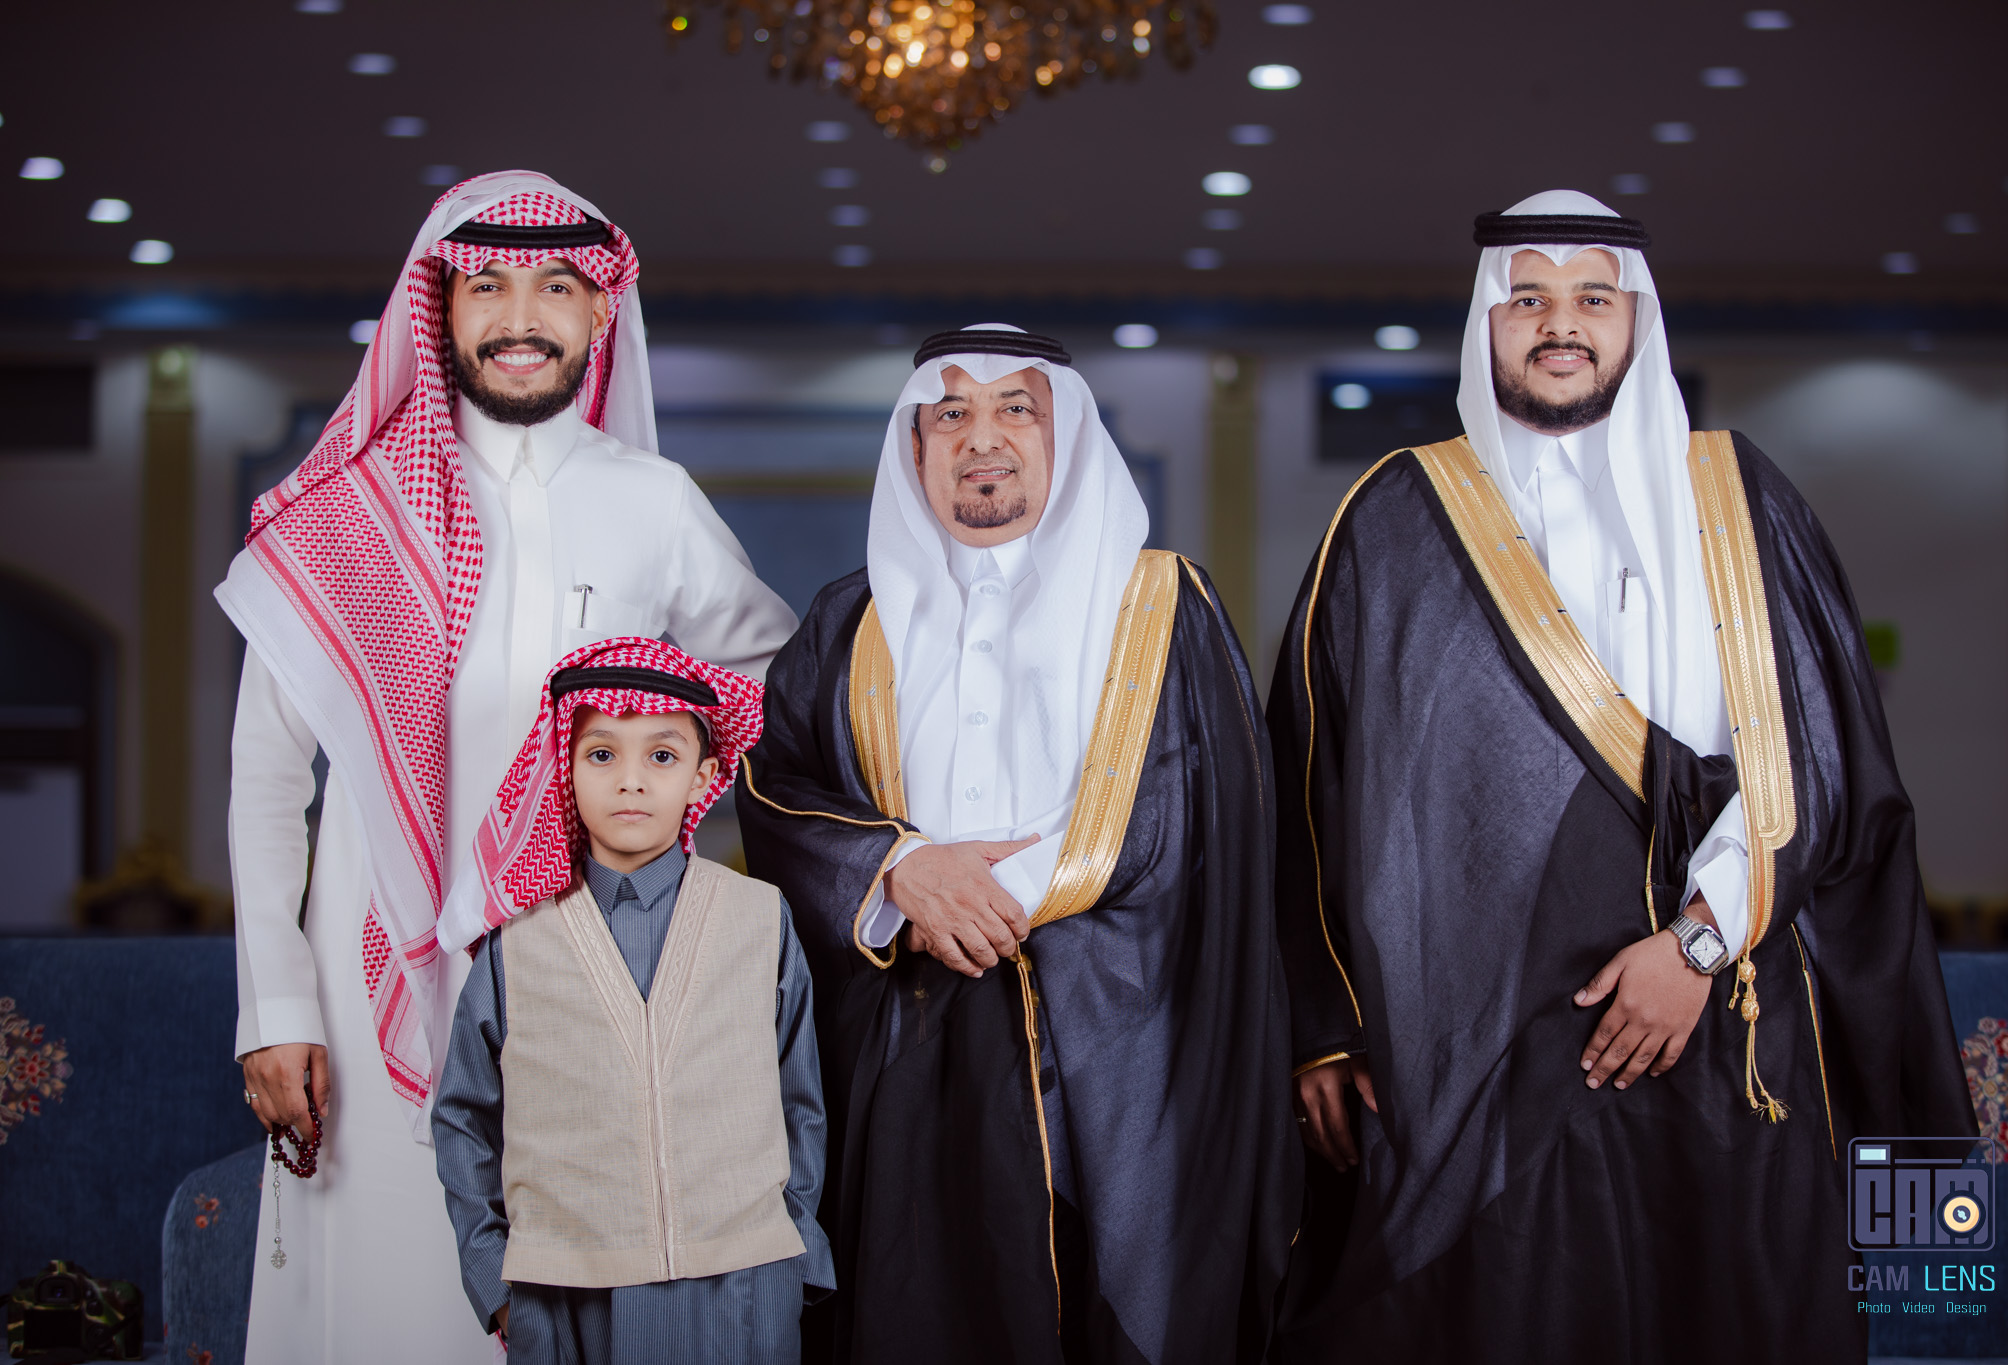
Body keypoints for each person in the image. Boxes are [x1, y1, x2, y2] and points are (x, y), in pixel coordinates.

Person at [1267, 190, 1978, 1363]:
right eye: (1527, 300)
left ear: (1634, 319)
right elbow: (1306, 783)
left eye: (1591, 298)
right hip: (1471, 1044)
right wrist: (1322, 1029)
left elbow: (1819, 756)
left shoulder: (1736, 495)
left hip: (1724, 1015)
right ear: (1485, 323)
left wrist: (1694, 945)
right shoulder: (1392, 515)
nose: (1560, 323)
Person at [215, 171, 797, 1362]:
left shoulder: (653, 504)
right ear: (439, 308)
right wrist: (274, 1007)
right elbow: (267, 777)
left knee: (577, 1291)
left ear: (600, 311)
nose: (519, 317)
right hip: (369, 975)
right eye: (486, 285)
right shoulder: (349, 515)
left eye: (555, 286)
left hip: (592, 977)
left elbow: (778, 697)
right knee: (388, 1294)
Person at [738, 324, 1297, 1365]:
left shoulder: (1162, 605)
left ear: (1064, 437)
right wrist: (900, 872)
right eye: (950, 414)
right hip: (908, 1051)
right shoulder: (850, 621)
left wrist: (995, 900)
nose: (981, 438)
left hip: (1121, 1056)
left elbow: (1209, 817)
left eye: (1014, 411)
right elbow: (773, 788)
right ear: (915, 448)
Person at [432, 637, 830, 1364]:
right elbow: (464, 1115)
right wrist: (495, 1282)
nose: (631, 782)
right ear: (565, 767)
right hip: (565, 1295)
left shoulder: (759, 916)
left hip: (739, 1287)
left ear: (703, 775)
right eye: (602, 754)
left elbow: (800, 1101)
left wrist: (793, 1251)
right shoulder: (517, 941)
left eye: (662, 756)